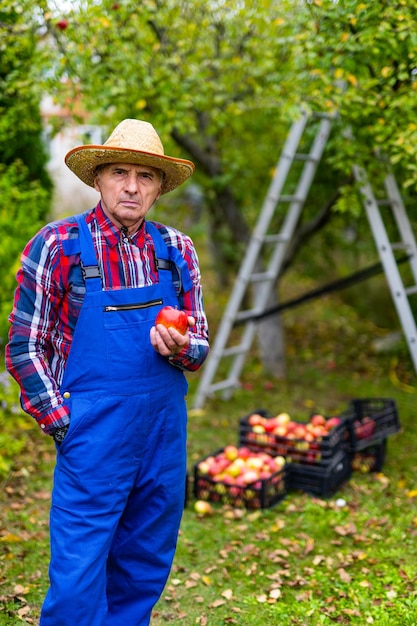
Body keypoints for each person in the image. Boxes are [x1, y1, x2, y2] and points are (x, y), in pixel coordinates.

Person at [5, 118, 210, 626]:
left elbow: (200, 343)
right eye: (120, 172)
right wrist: (62, 421)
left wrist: (184, 348)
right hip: (92, 434)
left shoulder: (177, 252)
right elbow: (23, 345)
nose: (132, 186)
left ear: (160, 186)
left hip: (162, 436)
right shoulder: (58, 247)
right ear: (97, 178)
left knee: (142, 567)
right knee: (78, 578)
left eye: (146, 175)